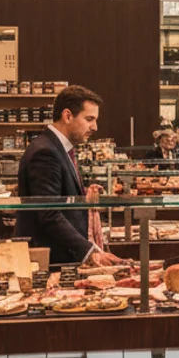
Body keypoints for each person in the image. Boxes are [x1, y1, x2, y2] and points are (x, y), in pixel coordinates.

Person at [15, 85, 121, 267]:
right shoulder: (45, 152)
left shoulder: (58, 148)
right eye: (89, 119)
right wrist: (90, 251)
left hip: (60, 257)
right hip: (48, 260)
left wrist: (82, 196)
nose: (95, 127)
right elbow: (48, 213)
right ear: (67, 116)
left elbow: (57, 197)